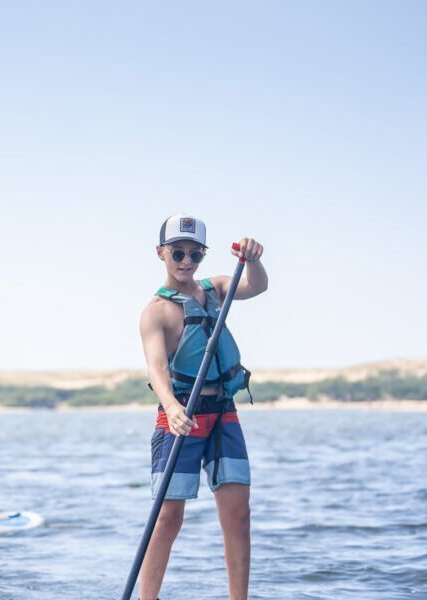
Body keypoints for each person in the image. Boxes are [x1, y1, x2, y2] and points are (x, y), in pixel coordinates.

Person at [139, 214, 268, 600]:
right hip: (180, 417)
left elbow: (256, 286)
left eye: (195, 254)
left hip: (223, 411)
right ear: (160, 253)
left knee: (238, 514)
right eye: (177, 252)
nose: (186, 261)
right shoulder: (155, 312)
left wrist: (254, 258)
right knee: (168, 518)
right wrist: (171, 406)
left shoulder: (218, 288)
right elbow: (156, 368)